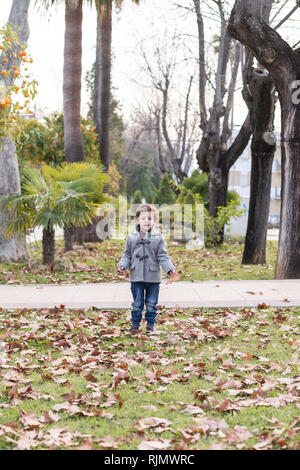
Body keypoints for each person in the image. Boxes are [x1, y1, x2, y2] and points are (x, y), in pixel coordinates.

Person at [117, 203, 176, 335]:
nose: (146, 221)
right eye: (143, 218)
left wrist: (170, 269)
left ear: (154, 221)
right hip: (136, 276)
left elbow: (163, 256)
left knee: (151, 304)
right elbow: (127, 254)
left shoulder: (158, 238)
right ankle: (135, 326)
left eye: (149, 218)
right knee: (137, 304)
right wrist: (122, 265)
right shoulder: (132, 237)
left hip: (153, 277)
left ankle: (150, 327)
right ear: (137, 220)